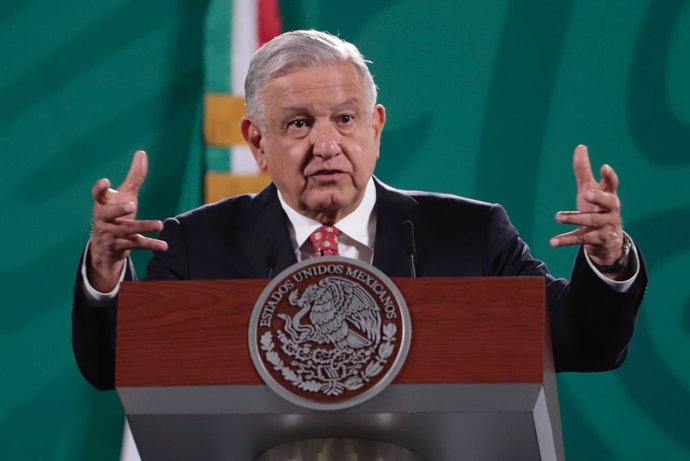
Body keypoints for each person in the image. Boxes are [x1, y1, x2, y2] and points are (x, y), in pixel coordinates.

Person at [73, 30, 647, 391]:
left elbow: (583, 346)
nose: (326, 145)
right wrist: (103, 271)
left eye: (345, 120)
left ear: (374, 129)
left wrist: (609, 260)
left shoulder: (470, 234)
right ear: (256, 143)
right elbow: (116, 370)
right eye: (299, 123)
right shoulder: (197, 245)